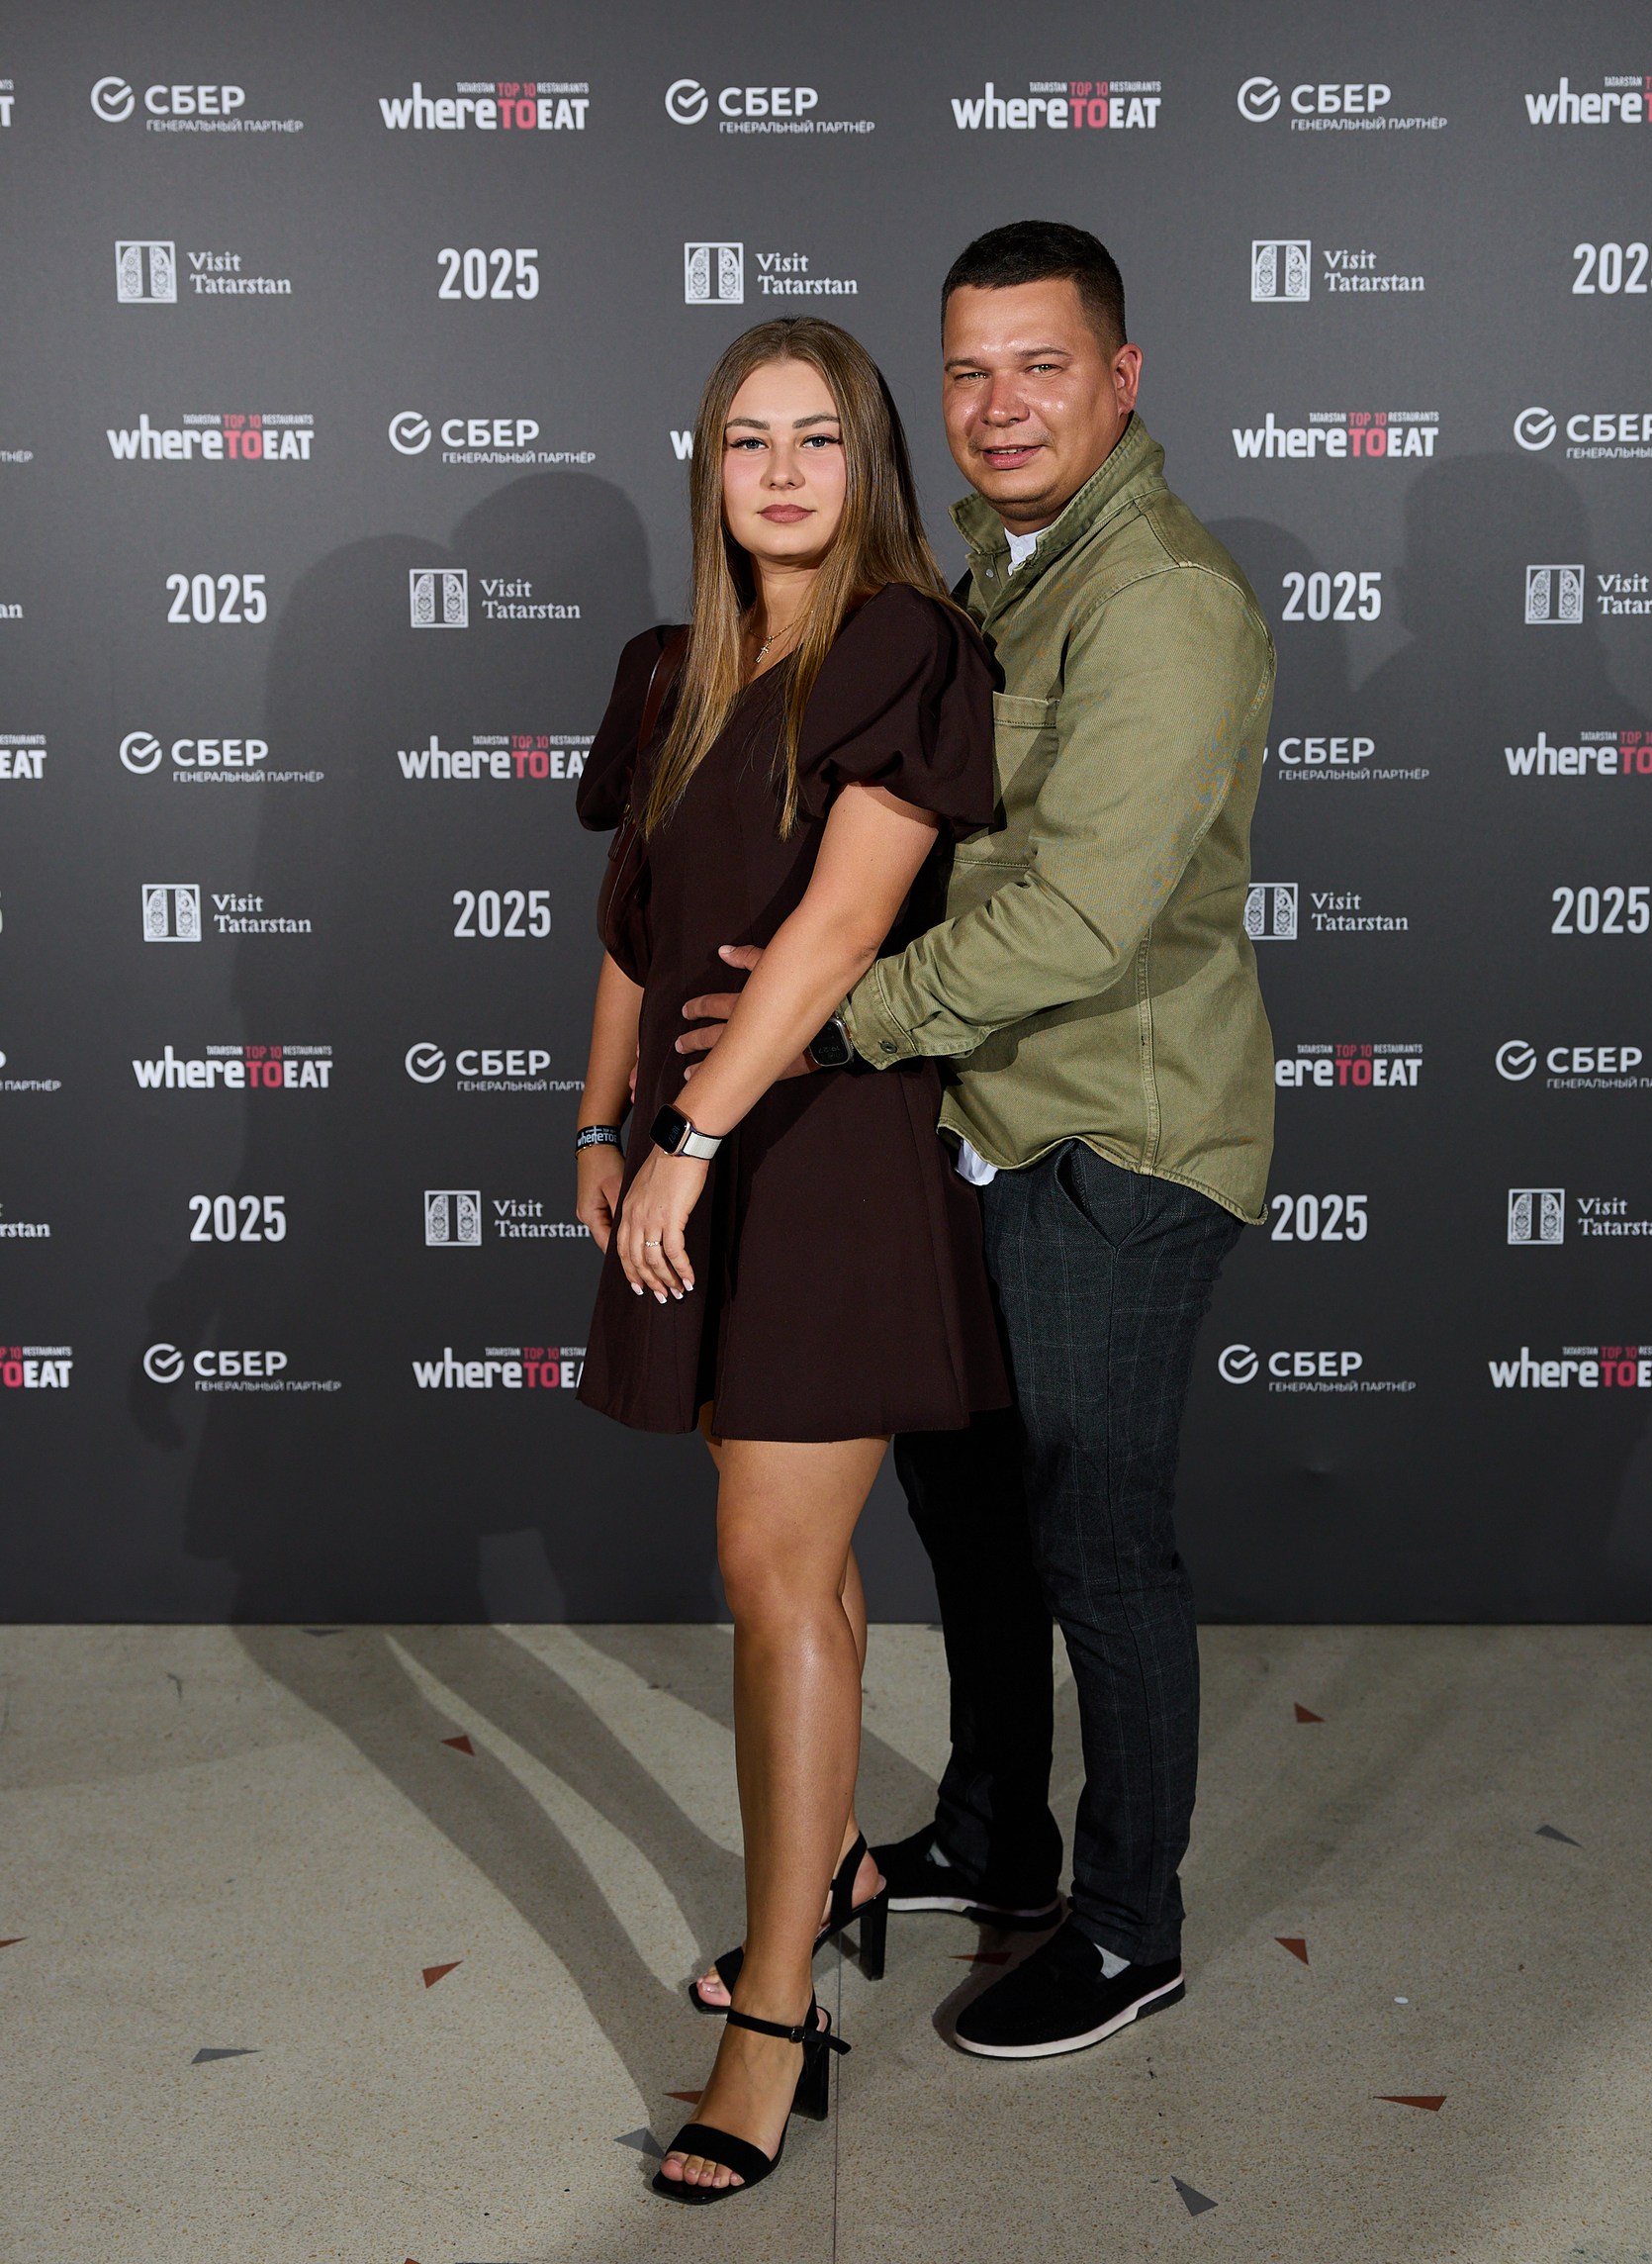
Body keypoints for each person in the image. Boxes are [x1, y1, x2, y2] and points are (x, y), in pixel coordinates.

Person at [677, 221, 1277, 2061]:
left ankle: (1128, 1925)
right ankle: (998, 1833)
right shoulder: (991, 581)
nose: (1001, 404)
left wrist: (829, 1021)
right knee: (973, 1516)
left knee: (1097, 1541)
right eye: (968, 370)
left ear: (1123, 377)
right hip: (979, 1126)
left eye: (1042, 364)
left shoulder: (1158, 597)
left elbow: (1079, 921)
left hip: (1116, 1135)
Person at [573, 316, 1008, 2200]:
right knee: (800, 1575)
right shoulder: (668, 666)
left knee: (768, 1568)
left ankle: (772, 2018)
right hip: (687, 1151)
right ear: (709, 467)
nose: (778, 470)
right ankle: (826, 1870)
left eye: (817, 437)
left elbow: (838, 931)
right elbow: (631, 921)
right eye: (746, 438)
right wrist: (600, 1123)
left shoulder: (907, 642)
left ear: (869, 461)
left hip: (821, 1157)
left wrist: (687, 1139)